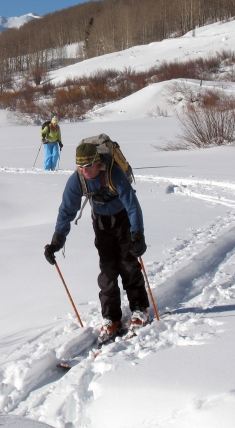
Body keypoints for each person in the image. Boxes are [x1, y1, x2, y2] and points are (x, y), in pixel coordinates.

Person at [43, 140, 149, 344]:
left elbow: (132, 205)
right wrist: (57, 241)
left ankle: (139, 308)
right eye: (80, 167)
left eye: (88, 166)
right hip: (100, 223)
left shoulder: (113, 173)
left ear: (97, 162)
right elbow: (66, 211)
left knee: (127, 263)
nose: (85, 171)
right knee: (107, 269)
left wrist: (138, 234)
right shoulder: (77, 181)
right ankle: (111, 317)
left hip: (122, 219)